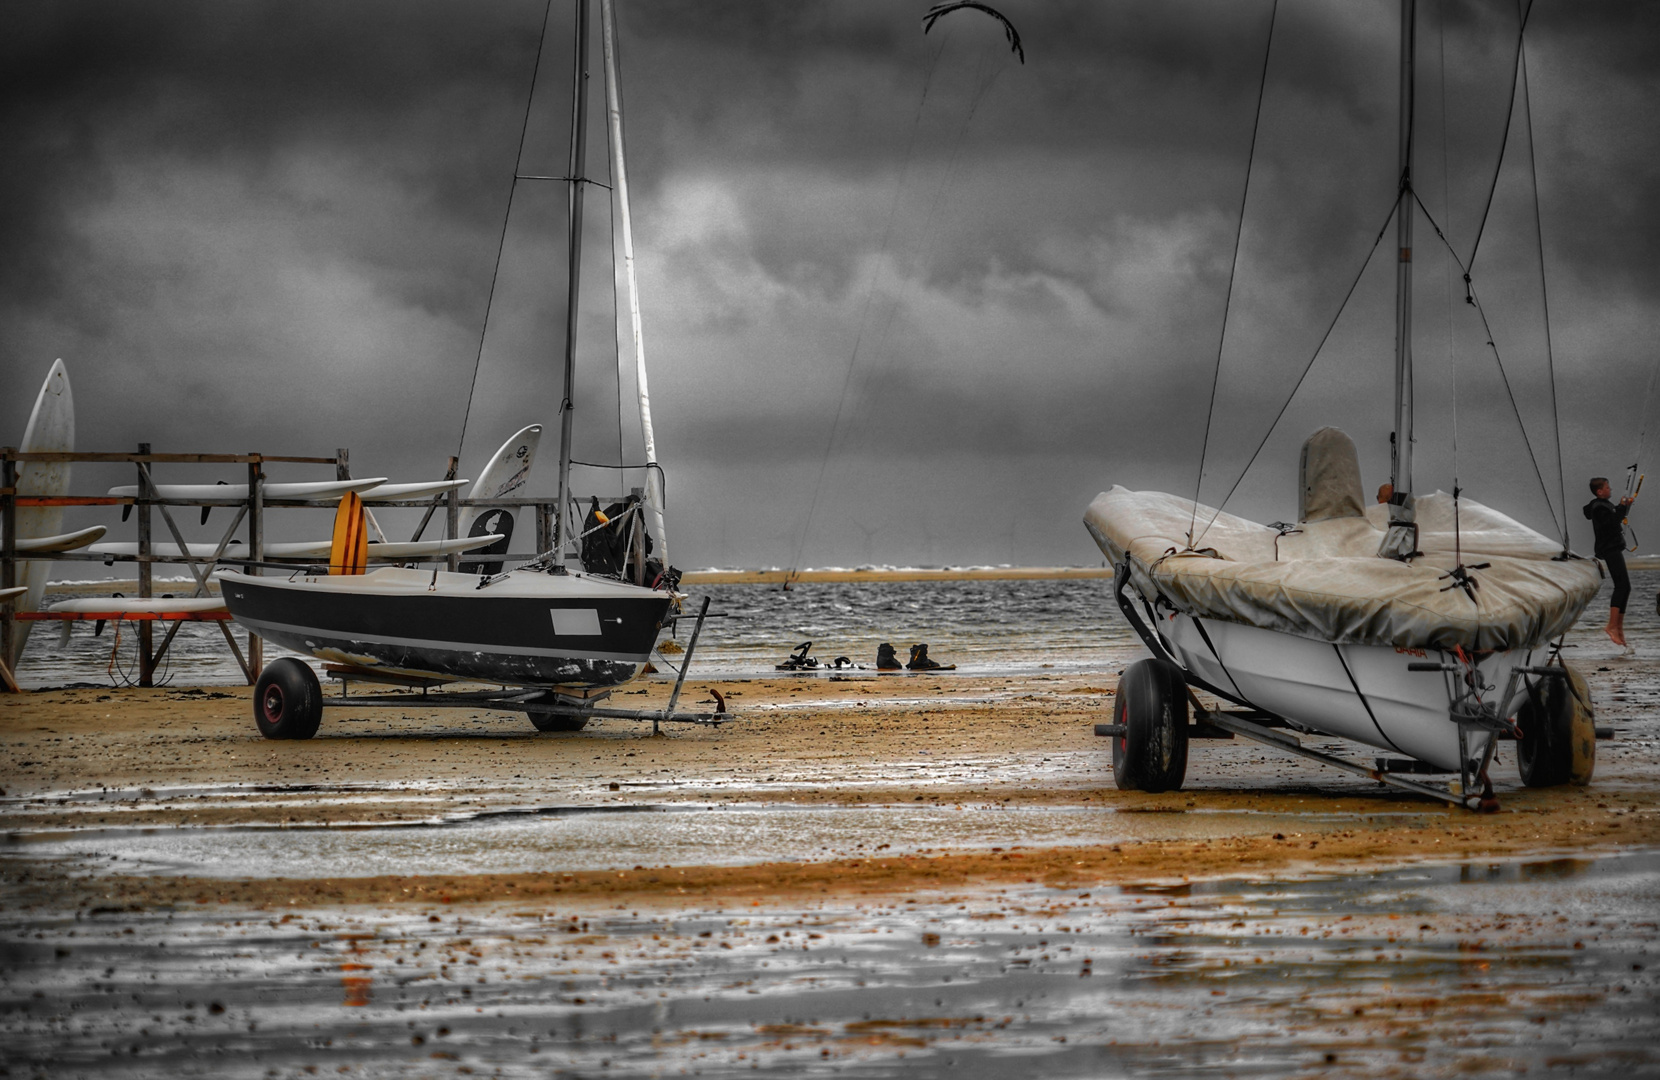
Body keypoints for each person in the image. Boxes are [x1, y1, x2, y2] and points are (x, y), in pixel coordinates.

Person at [1583, 477, 1635, 647]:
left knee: (1625, 587)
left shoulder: (1602, 505)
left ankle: (1618, 627)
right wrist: (1621, 506)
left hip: (1612, 547)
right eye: (1607, 487)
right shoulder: (1599, 508)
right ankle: (1612, 626)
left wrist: (1624, 506)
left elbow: (1616, 518)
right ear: (1600, 491)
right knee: (1621, 586)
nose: (1610, 489)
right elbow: (1612, 523)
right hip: (1610, 548)